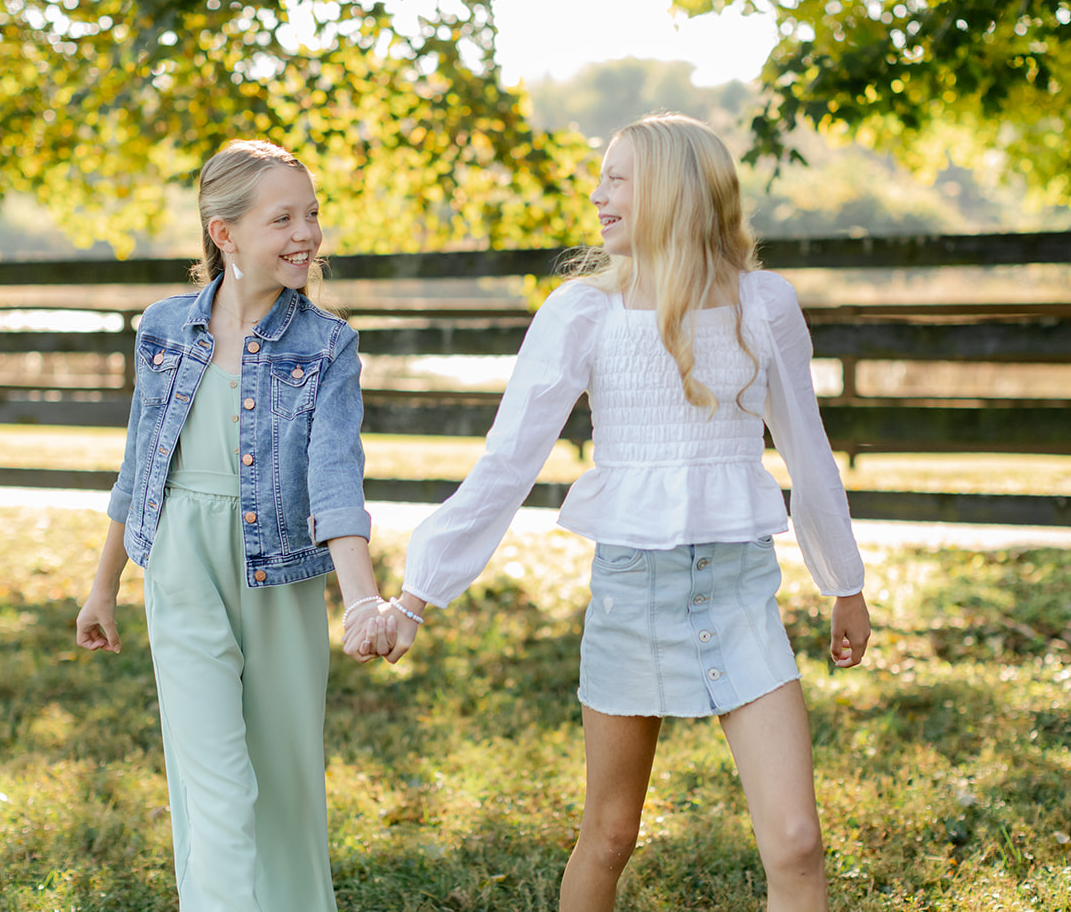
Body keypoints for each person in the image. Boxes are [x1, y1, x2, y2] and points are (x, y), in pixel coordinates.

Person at [381, 114, 872, 911]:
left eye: (617, 177)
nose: (597, 194)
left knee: (797, 840)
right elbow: (506, 463)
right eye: (600, 177)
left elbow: (809, 451)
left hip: (741, 593)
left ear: (675, 191)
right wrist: (419, 593)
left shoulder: (765, 304)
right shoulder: (582, 312)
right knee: (610, 832)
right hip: (631, 596)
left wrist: (842, 581)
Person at [74, 139, 395, 911]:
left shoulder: (327, 346)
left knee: (285, 782)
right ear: (225, 233)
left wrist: (362, 598)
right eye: (282, 217)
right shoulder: (162, 329)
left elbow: (336, 483)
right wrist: (102, 587)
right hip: (182, 561)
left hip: (281, 572)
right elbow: (139, 465)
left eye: (311, 214)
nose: (307, 234)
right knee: (213, 783)